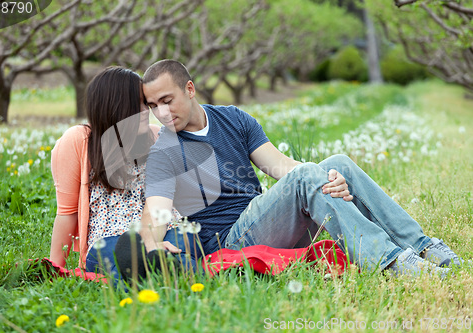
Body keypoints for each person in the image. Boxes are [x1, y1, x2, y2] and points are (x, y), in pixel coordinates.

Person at [138, 59, 465, 278]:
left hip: (266, 218)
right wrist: (151, 244)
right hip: (231, 240)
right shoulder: (164, 152)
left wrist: (329, 180)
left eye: (167, 100)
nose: (161, 113)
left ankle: (423, 247)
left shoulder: (233, 118)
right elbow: (157, 210)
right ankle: (390, 261)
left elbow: (282, 167)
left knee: (338, 164)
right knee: (309, 174)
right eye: (153, 106)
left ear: (189, 89)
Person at [49, 66, 180, 285]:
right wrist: (54, 269)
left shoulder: (156, 137)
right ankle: (156, 272)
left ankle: (166, 267)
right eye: (135, 104)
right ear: (113, 107)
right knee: (123, 261)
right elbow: (67, 212)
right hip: (112, 236)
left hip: (165, 228)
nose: (146, 111)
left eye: (145, 103)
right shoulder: (80, 141)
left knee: (184, 247)